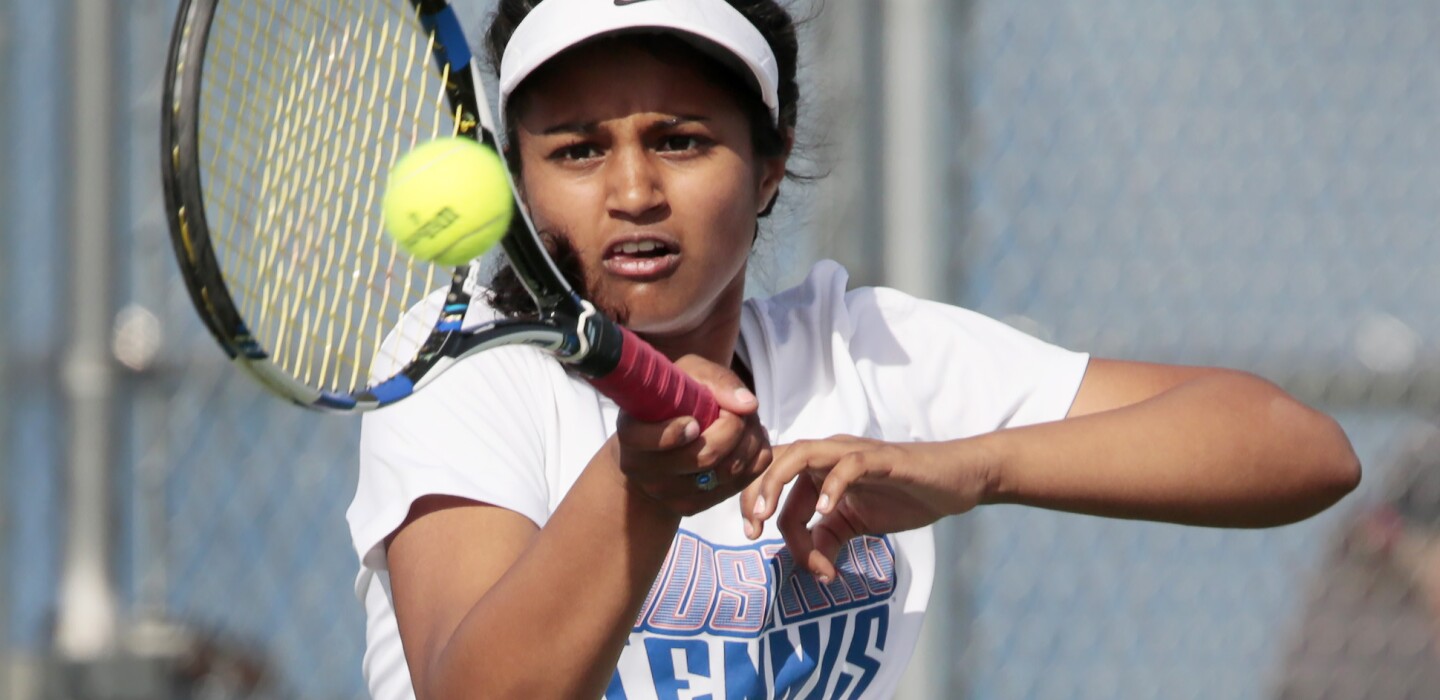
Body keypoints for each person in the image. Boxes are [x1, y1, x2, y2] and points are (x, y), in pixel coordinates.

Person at [346, 1, 1361, 698]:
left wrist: (966, 466)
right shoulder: (467, 365)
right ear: (517, 181)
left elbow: (1301, 447)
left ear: (771, 162)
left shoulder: (861, 348)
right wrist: (641, 486)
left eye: (681, 138)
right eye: (577, 149)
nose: (634, 191)